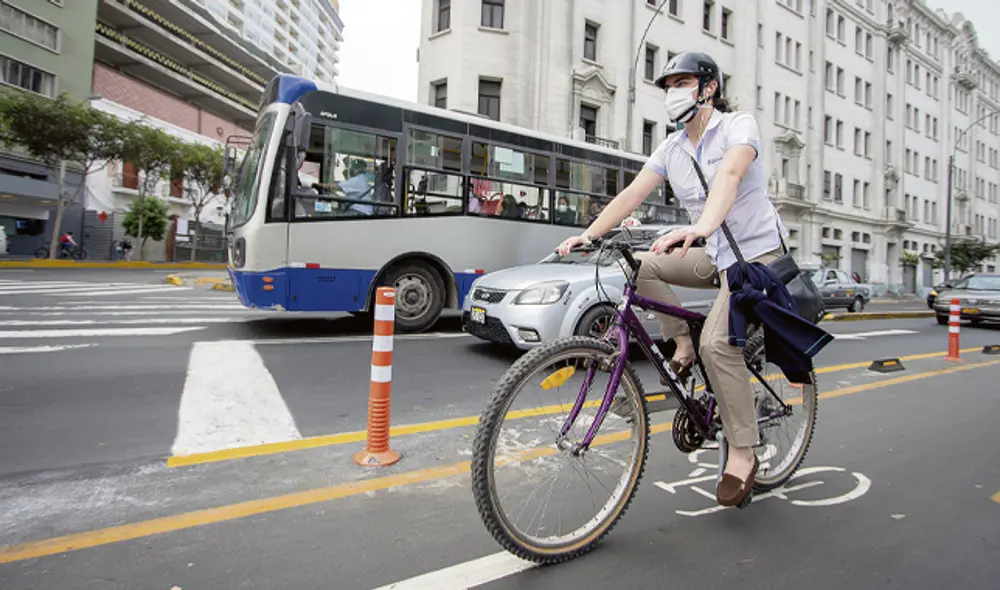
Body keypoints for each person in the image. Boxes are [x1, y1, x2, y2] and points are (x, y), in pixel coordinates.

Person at [557, 51, 788, 507]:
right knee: (640, 264)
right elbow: (631, 194)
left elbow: (732, 173)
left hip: (757, 255)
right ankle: (679, 342)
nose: (673, 93)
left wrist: (702, 226)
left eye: (684, 82)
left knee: (718, 345)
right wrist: (588, 235)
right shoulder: (671, 147)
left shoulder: (738, 126)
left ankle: (743, 452)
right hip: (716, 253)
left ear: (709, 88)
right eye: (668, 85)